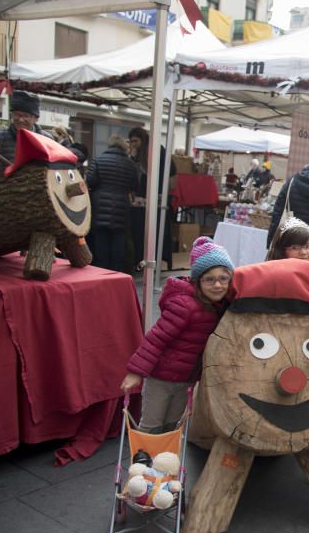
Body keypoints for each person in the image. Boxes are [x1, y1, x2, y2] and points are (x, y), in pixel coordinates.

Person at [120, 237, 235, 432]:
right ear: (197, 281)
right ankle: (144, 458)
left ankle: (166, 459)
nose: (218, 285)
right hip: (161, 379)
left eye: (223, 279)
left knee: (173, 425)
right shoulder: (184, 305)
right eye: (210, 279)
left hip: (185, 379)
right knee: (152, 424)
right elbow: (156, 339)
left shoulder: (218, 306)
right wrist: (136, 372)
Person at [85, 135, 140, 272]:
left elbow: (90, 181)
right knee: (118, 244)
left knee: (101, 243)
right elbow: (135, 185)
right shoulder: (131, 164)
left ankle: (101, 273)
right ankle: (116, 275)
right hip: (121, 207)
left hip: (100, 206)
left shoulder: (98, 160)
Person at [128, 127, 173, 272]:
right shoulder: (152, 151)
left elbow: (169, 172)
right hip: (143, 202)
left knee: (151, 233)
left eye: (135, 141)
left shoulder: (155, 151)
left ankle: (152, 261)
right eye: (131, 141)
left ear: (142, 139)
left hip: (153, 200)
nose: (133, 144)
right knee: (142, 233)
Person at [0, 92, 59, 172]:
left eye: (26, 116)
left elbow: (54, 168)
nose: (20, 120)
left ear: (36, 119)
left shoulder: (47, 140)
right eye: (17, 114)